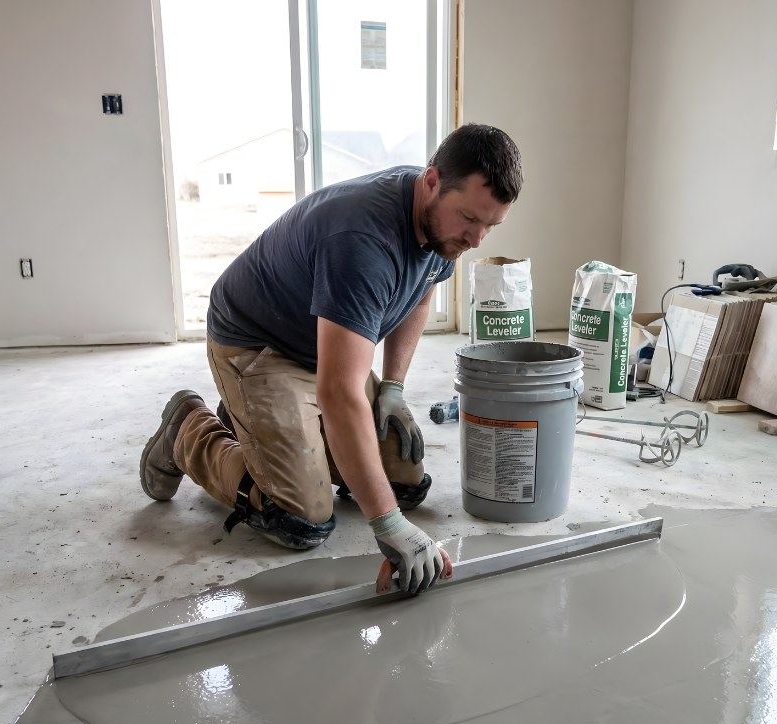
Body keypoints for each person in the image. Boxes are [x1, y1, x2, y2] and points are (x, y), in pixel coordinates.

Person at [139, 124, 523, 594]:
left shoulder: (444, 224)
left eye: (491, 225)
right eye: (470, 219)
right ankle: (188, 429)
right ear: (431, 181)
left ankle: (262, 427)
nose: (478, 239)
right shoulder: (362, 241)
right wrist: (387, 525)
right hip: (261, 344)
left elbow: (422, 293)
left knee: (404, 483)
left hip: (325, 345)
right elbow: (340, 393)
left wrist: (394, 389)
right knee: (301, 518)